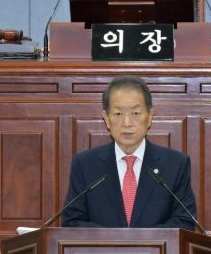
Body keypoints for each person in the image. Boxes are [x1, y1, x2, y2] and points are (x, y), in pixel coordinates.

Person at [61, 75, 197, 230]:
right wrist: (116, 241)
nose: (127, 123)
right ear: (106, 119)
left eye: (135, 113)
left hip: (158, 247)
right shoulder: (85, 165)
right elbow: (72, 222)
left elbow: (185, 222)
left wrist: (141, 241)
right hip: (101, 247)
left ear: (150, 117)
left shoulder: (175, 165)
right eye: (118, 114)